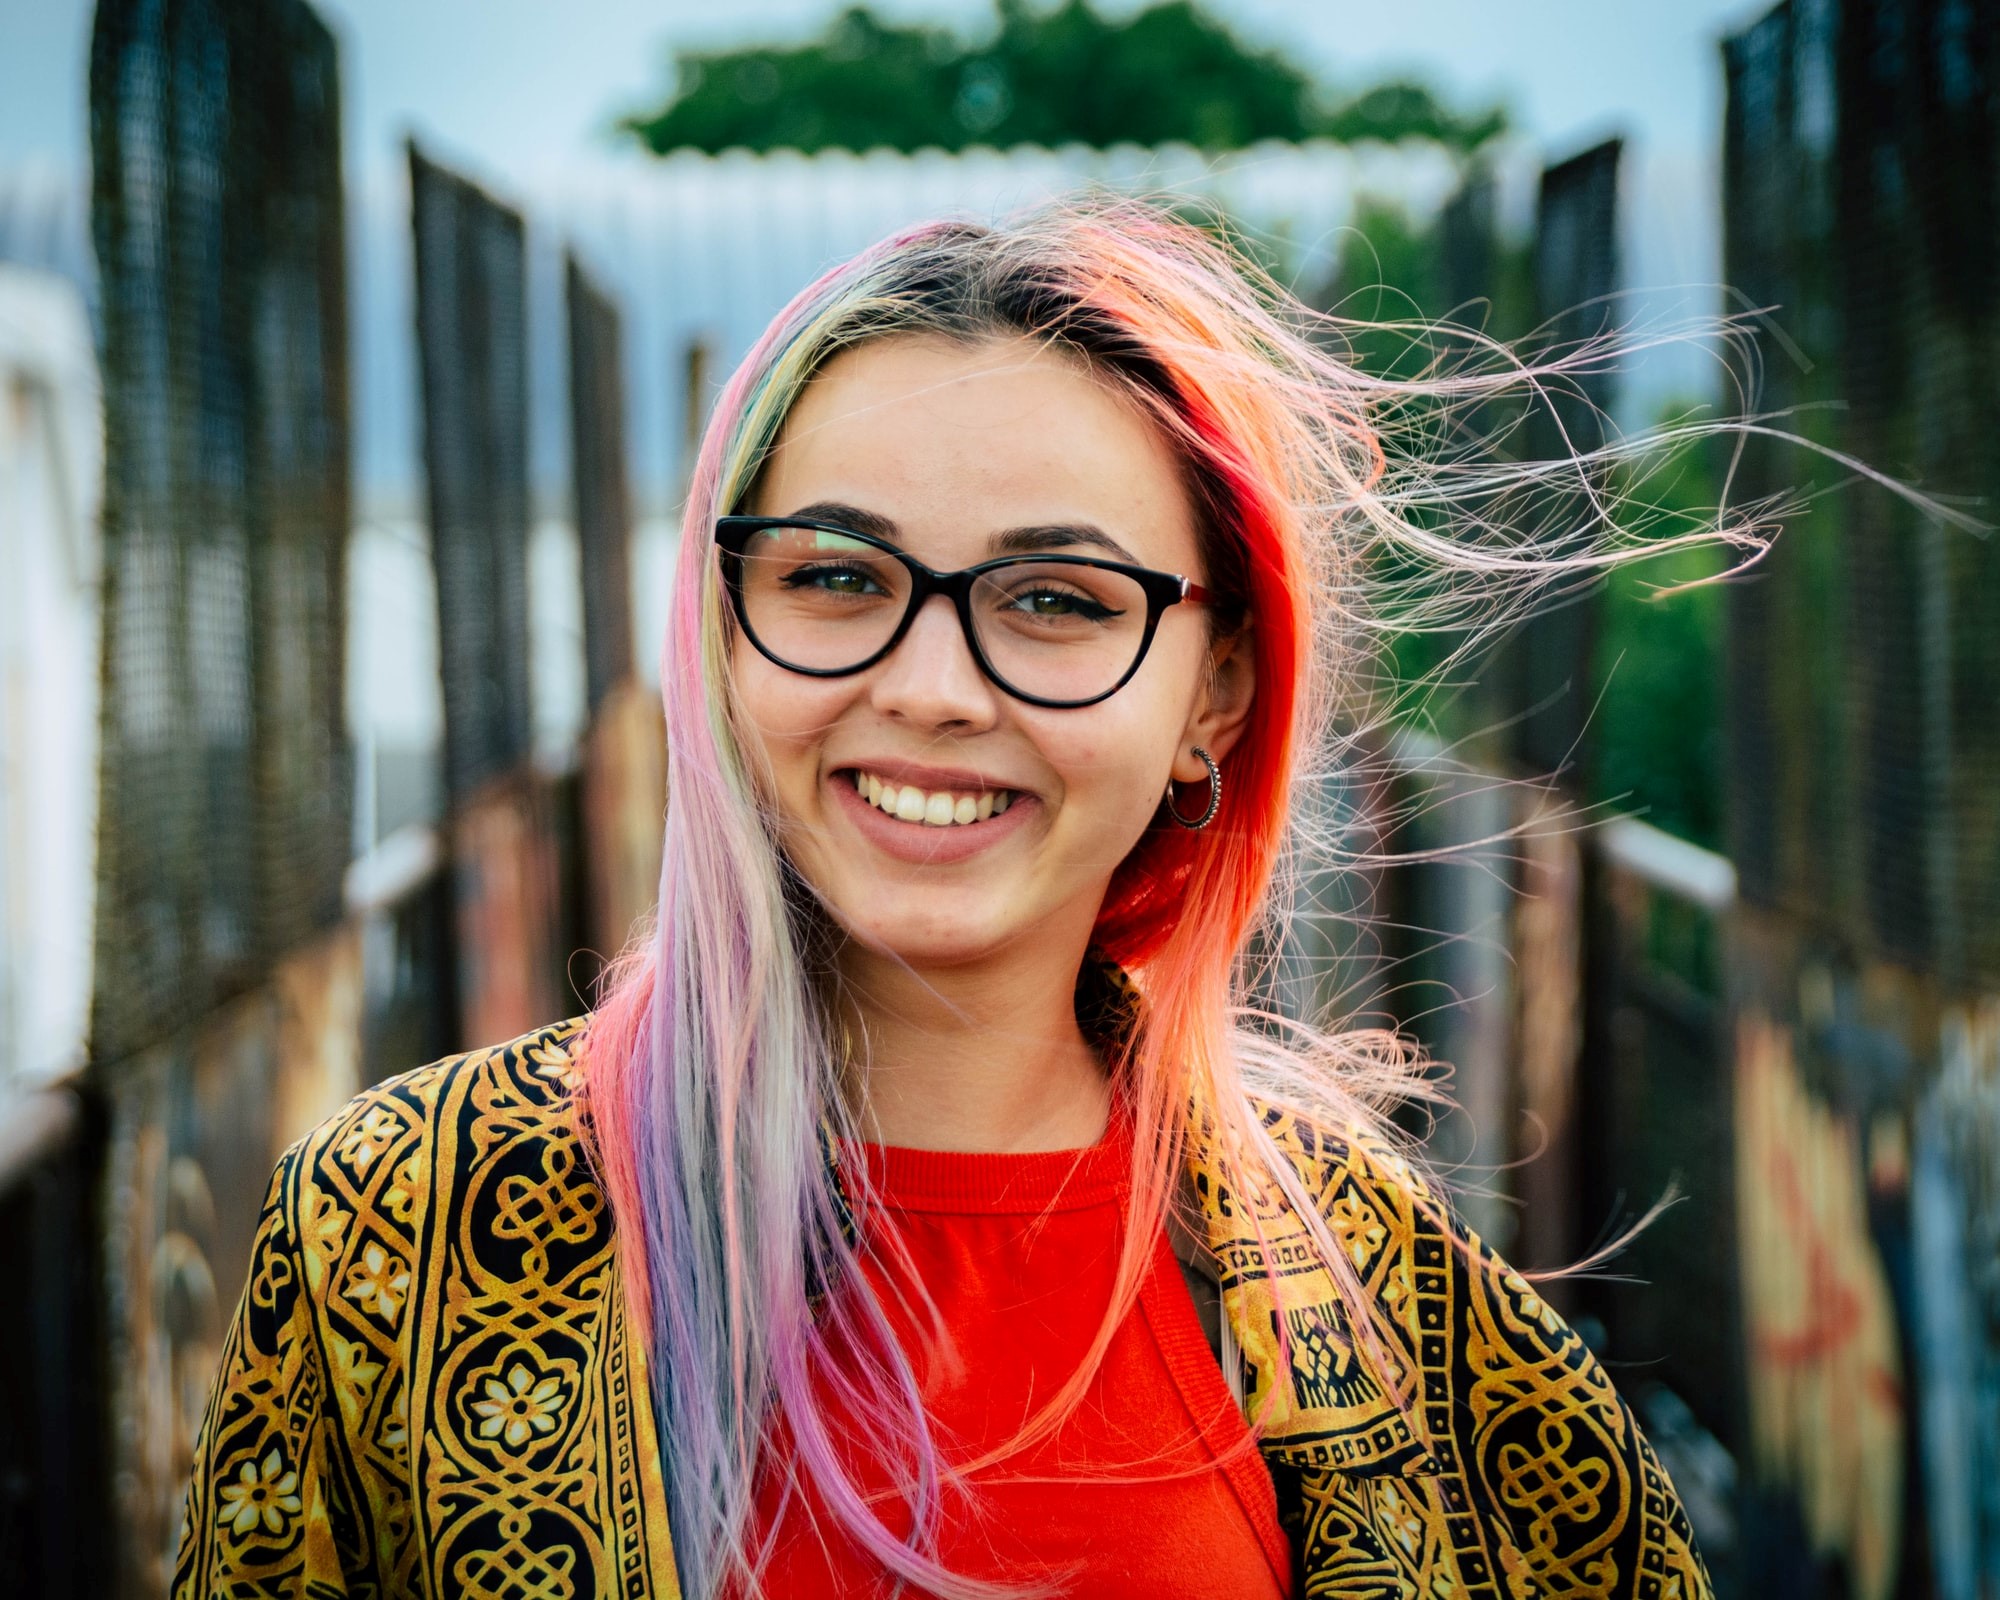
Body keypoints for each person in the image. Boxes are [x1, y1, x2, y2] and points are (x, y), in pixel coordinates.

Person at [174, 201, 1721, 1599]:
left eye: (1056, 602)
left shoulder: (1386, 1284)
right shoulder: (393, 1228)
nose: (930, 689)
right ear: (722, 634)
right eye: (836, 577)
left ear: (1218, 695)